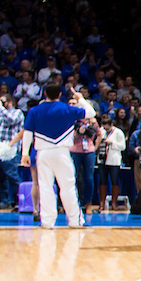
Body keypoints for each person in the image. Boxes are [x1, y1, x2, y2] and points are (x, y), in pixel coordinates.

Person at [21, 84, 93, 229]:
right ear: (60, 94)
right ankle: (75, 221)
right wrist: (81, 98)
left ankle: (47, 222)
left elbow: (27, 132)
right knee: (68, 187)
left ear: (45, 93)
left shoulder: (34, 110)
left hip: (43, 153)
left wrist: (24, 153)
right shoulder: (67, 109)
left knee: (45, 187)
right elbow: (91, 113)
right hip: (62, 152)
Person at [0, 94, 24, 208]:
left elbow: (11, 120)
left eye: (3, 102)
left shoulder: (17, 112)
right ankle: (3, 201)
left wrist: (1, 108)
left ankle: (19, 201)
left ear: (9, 102)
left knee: (12, 175)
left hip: (7, 150)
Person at [96, 114, 126, 210]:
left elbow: (123, 146)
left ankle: (114, 203)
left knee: (114, 181)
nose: (105, 127)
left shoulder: (118, 132)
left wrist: (112, 143)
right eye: (103, 124)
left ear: (111, 124)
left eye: (107, 125)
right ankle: (102, 203)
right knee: (102, 181)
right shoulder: (100, 131)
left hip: (114, 160)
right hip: (102, 158)